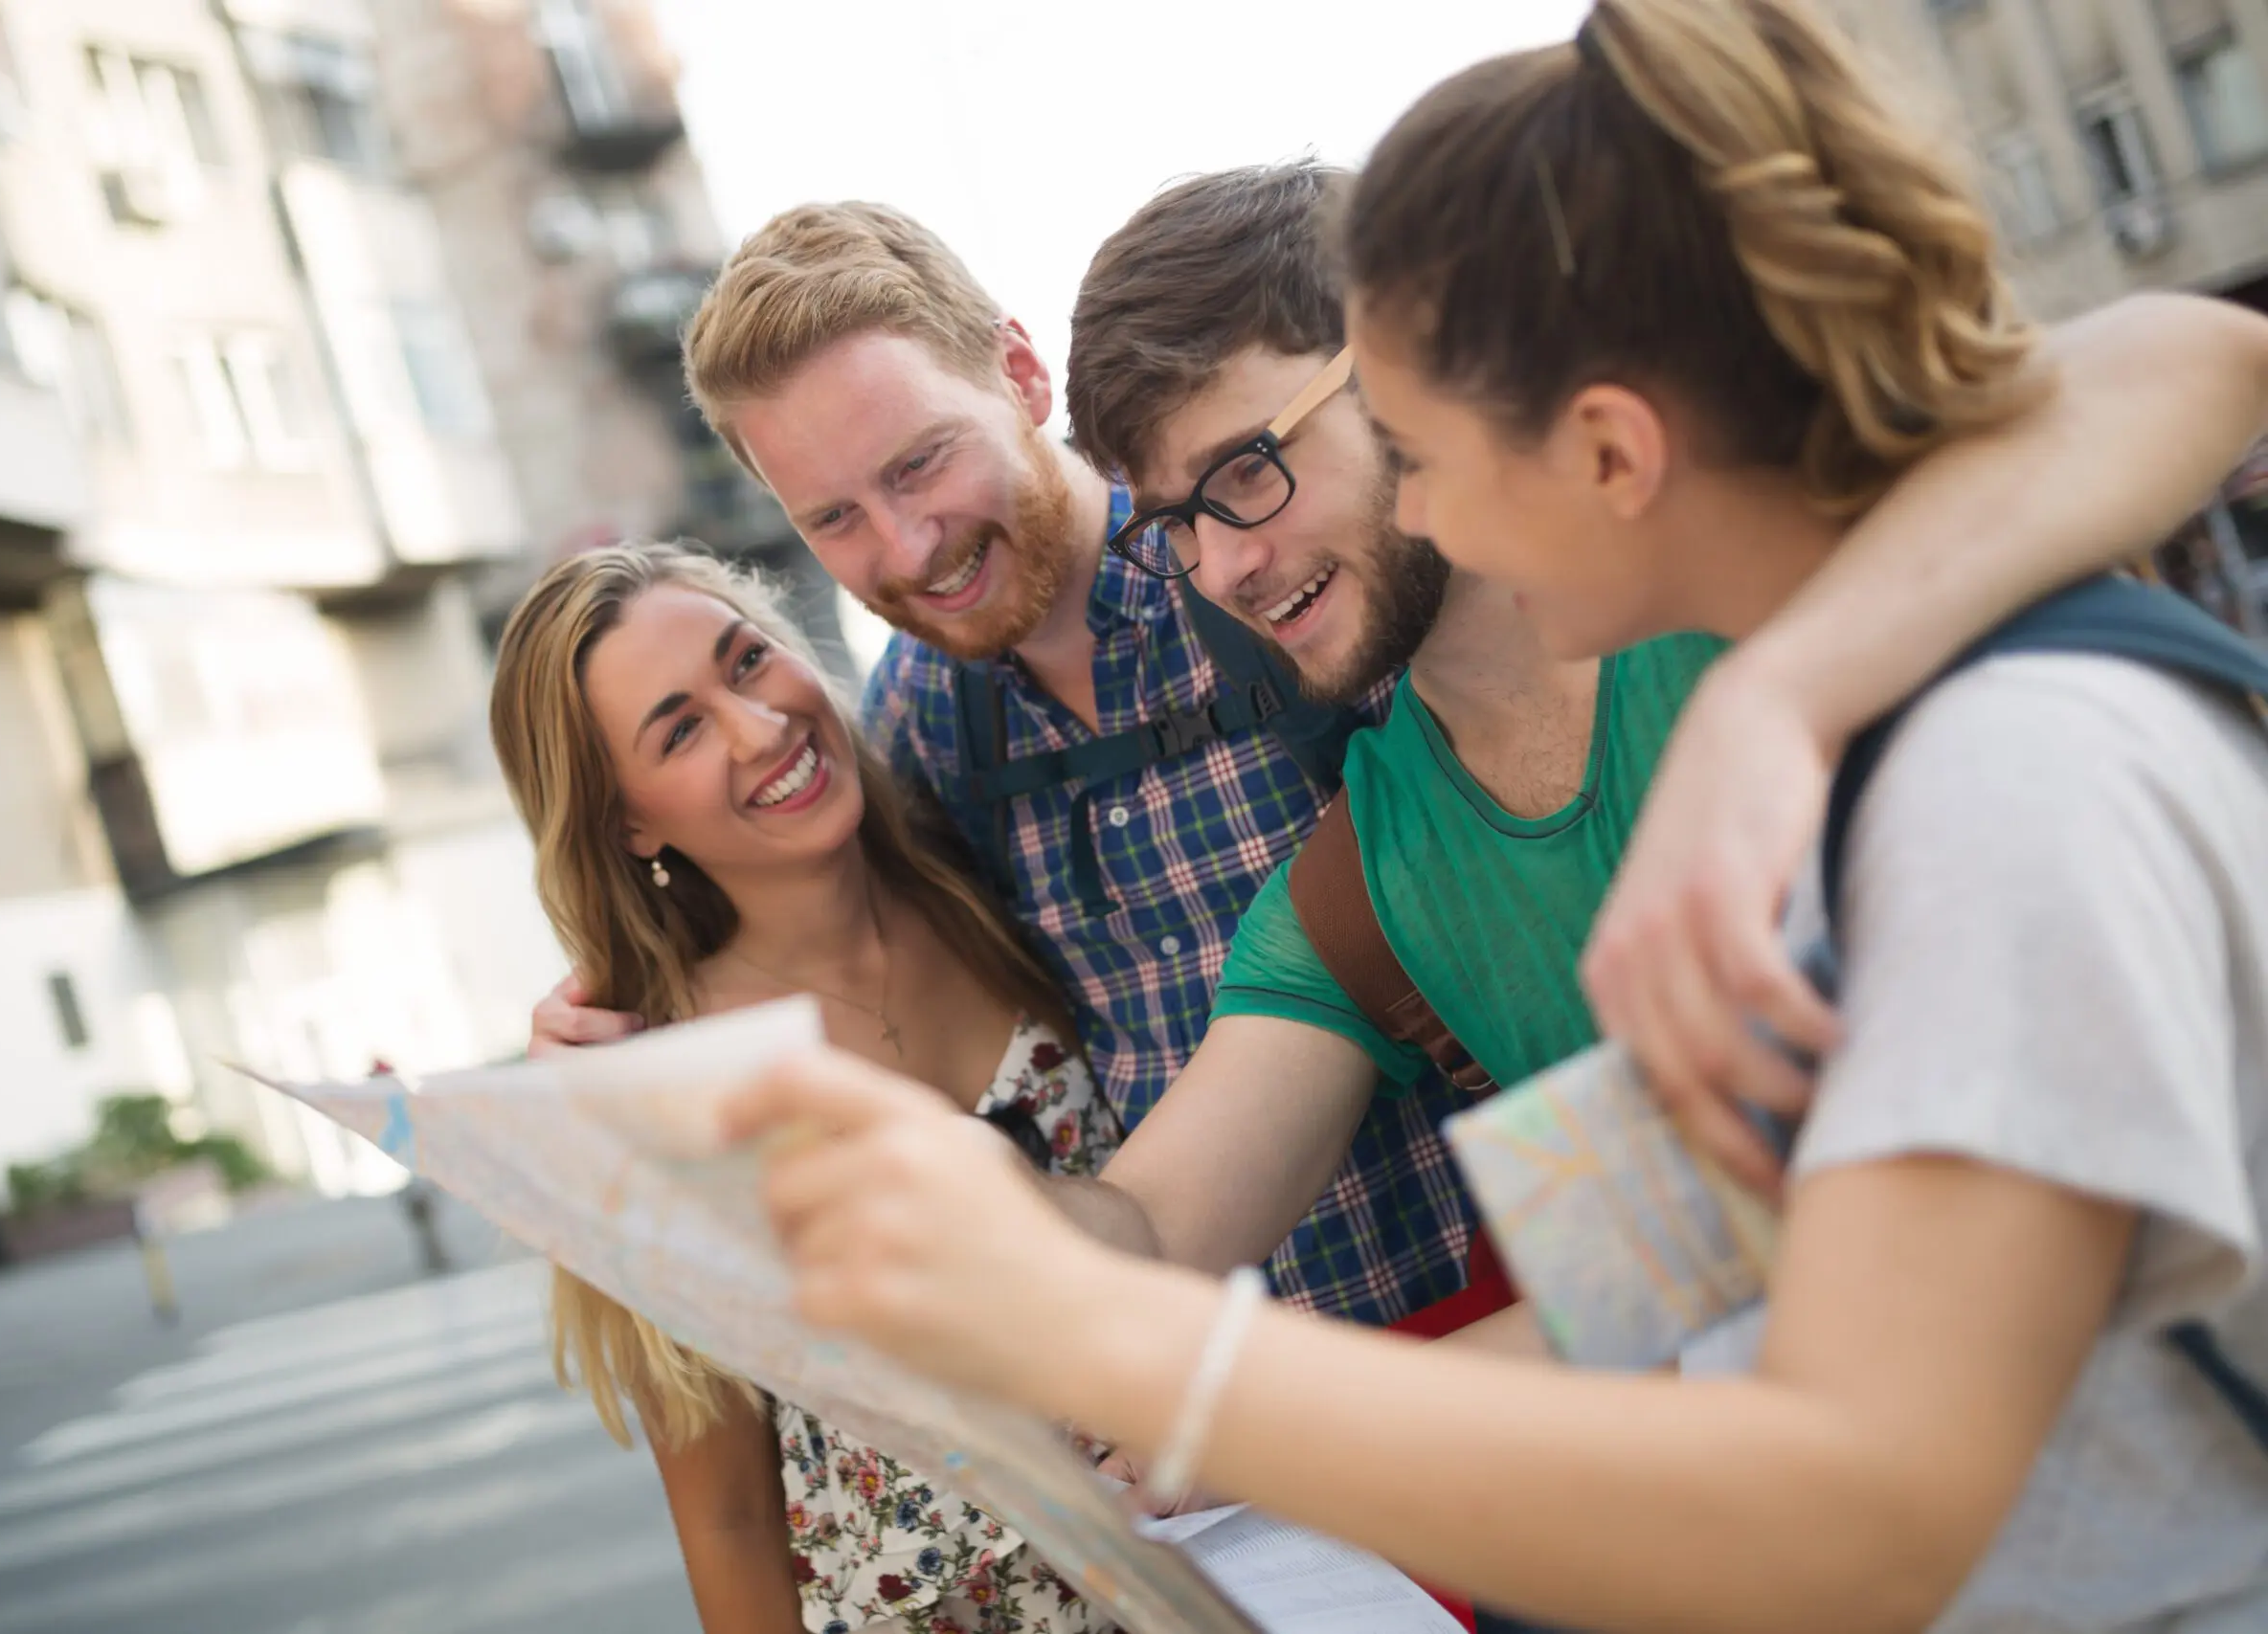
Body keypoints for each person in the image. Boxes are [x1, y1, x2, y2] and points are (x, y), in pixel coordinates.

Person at [716, 2, 2268, 1628]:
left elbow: (1873, 1490)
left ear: (1594, 426)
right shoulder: (1382, 862)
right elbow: (1674, 1275)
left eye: (1398, 440)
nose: (1224, 567)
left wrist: (1183, 1375)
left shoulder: (1944, 728)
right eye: (1180, 520)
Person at [489, 542, 1119, 1634]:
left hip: (1208, 1569)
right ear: (629, 822)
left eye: (746, 662)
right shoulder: (665, 1091)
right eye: (680, 729)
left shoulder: (983, 875)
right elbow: (727, 1517)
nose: (761, 726)